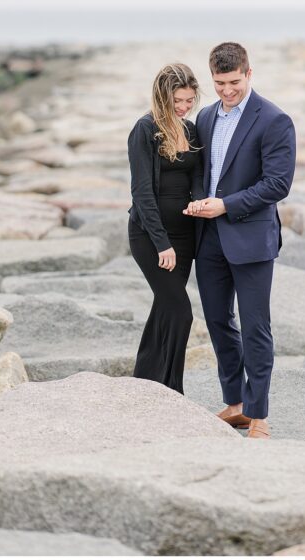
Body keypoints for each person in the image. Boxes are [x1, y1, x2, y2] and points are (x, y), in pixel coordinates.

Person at [184, 42, 296, 439]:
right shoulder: (206, 116)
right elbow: (202, 171)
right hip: (209, 237)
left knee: (255, 326)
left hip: (250, 237)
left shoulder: (274, 120)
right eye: (219, 83)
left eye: (234, 82)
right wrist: (198, 203)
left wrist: (226, 205)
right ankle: (235, 404)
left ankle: (260, 416)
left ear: (249, 74)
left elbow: (278, 184)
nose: (227, 90)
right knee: (216, 320)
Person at [127, 62, 203, 394]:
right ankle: (173, 390)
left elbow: (196, 177)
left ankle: (145, 382)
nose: (185, 107)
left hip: (184, 235)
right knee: (181, 312)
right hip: (151, 237)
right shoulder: (144, 130)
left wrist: (199, 203)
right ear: (163, 96)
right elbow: (141, 192)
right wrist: (162, 244)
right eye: (178, 101)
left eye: (189, 101)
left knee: (164, 308)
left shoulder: (190, 130)